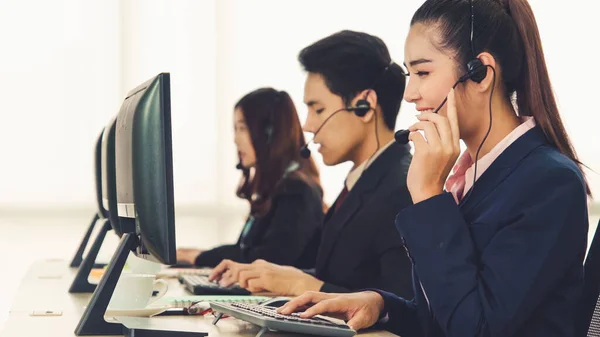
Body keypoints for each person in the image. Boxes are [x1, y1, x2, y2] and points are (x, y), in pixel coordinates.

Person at [277, 1, 591, 336]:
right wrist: (381, 305)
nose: (410, 93)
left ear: (480, 72)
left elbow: (478, 328)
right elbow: (447, 312)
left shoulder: (547, 182)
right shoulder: (469, 176)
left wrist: (428, 195)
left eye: (423, 73)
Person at [208, 30, 415, 299]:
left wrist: (302, 285)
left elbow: (402, 307)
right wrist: (278, 276)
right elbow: (344, 279)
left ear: (364, 105)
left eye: (318, 109)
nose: (307, 125)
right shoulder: (363, 181)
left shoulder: (403, 188)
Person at [177, 88, 325, 269]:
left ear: (270, 133)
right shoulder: (275, 188)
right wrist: (199, 255)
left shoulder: (297, 190)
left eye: (242, 128)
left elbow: (268, 259)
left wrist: (200, 257)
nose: (235, 139)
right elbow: (245, 251)